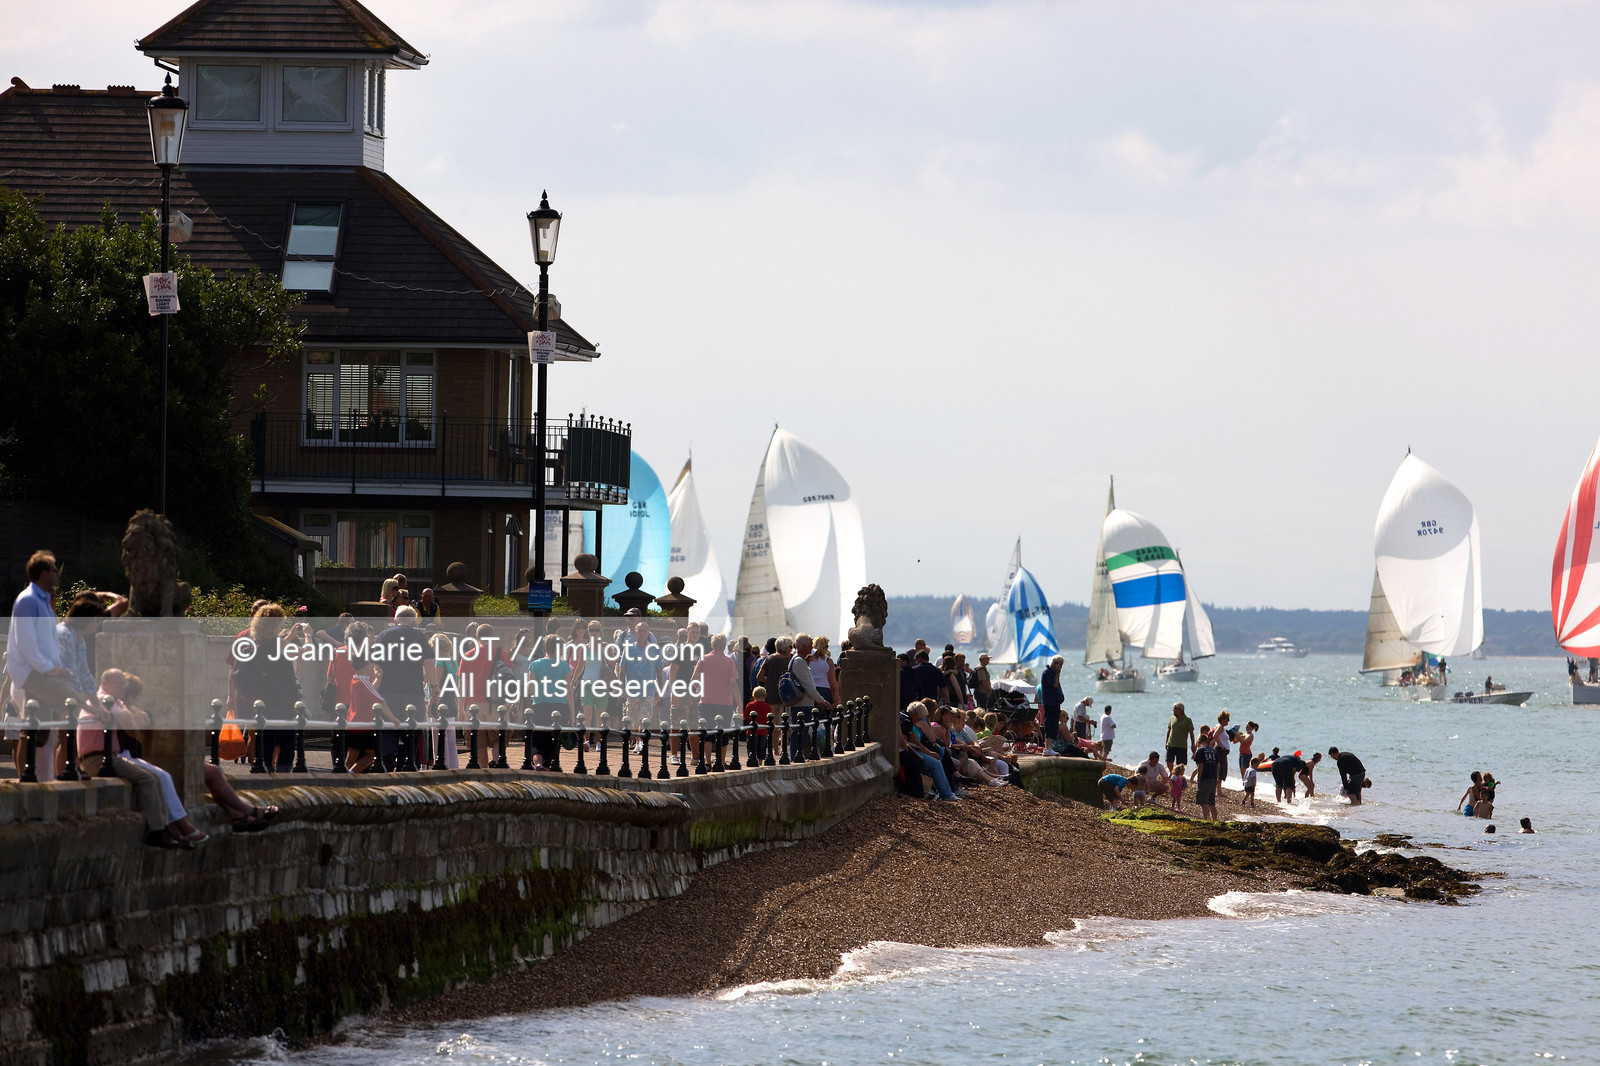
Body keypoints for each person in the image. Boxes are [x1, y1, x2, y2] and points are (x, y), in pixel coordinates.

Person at [79, 668, 206, 847]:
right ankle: (157, 832)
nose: (124, 686)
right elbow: (132, 726)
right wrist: (128, 713)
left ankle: (166, 828)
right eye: (119, 683)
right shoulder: (104, 700)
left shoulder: (114, 702)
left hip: (108, 756)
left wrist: (128, 713)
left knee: (155, 777)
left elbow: (134, 729)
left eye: (124, 683)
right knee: (148, 779)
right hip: (98, 758)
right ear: (105, 683)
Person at [7, 551, 73, 780]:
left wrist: (56, 669)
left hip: (44, 673)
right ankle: (29, 778)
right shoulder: (27, 601)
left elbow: (48, 643)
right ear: (43, 573)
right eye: (54, 570)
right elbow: (26, 641)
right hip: (33, 675)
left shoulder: (43, 603)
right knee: (74, 705)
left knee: (41, 731)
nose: (57, 574)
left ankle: (39, 778)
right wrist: (48, 668)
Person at [231, 605, 302, 772]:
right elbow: (290, 677)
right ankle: (281, 781)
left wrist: (250, 696)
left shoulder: (251, 648)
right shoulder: (280, 645)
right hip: (284, 704)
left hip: (262, 704)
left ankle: (264, 777)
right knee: (285, 748)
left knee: (265, 748)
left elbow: (237, 674)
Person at [1190, 730, 1222, 821]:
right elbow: (1218, 765)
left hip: (1205, 778)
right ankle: (1214, 820)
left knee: (1203, 801)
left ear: (1198, 741)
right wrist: (1216, 775)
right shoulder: (1213, 751)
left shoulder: (1200, 750)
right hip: (1213, 778)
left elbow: (1200, 765)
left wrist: (1199, 778)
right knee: (1211, 802)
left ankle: (1206, 820)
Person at [745, 685, 773, 763]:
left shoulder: (750, 705)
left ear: (754, 696)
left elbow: (745, 717)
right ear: (765, 696)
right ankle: (760, 762)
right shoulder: (767, 706)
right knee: (762, 749)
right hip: (763, 731)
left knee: (751, 748)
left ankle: (752, 761)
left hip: (752, 732)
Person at [1039, 659, 1065, 740]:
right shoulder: (1047, 673)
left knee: (1054, 726)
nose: (1060, 668)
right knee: (1050, 726)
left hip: (1055, 703)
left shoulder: (1053, 673)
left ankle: (1051, 744)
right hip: (1050, 703)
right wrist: (1058, 673)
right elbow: (1055, 685)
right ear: (1055, 663)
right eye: (1060, 666)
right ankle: (1048, 745)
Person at [1165, 703, 1195, 770]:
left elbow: (1191, 733)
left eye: (1175, 708)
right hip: (1171, 744)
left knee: (1181, 764)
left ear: (1181, 710)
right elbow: (1169, 730)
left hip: (1182, 746)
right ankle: (1172, 773)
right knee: (1169, 761)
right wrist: (1166, 742)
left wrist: (1193, 745)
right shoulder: (1172, 718)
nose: (1173, 710)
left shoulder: (1188, 720)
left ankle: (1179, 775)